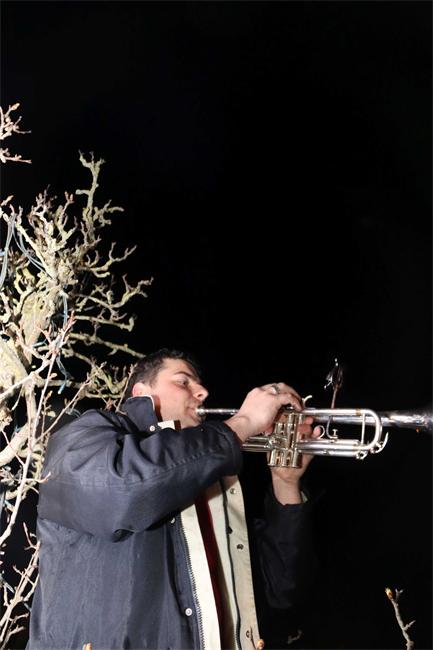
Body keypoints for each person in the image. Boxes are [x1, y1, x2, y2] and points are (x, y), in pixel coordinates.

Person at [27, 348, 319, 650]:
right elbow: (124, 488)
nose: (203, 392)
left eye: (199, 385)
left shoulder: (216, 480)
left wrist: (286, 483)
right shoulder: (86, 436)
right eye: (183, 382)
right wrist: (243, 422)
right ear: (142, 392)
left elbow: (282, 591)